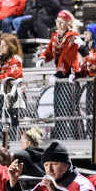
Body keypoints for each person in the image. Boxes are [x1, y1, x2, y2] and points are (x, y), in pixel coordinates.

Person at [36, 10, 81, 140]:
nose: (59, 24)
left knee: (70, 108)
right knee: (58, 107)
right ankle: (61, 136)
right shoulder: (55, 35)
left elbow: (67, 57)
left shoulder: (72, 35)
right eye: (58, 22)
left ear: (68, 23)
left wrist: (58, 73)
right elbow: (49, 50)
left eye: (62, 22)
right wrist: (43, 58)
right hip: (60, 76)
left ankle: (75, 137)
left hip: (70, 75)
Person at [77, 23, 96, 139]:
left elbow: (94, 60)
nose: (85, 34)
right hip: (90, 82)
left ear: (94, 34)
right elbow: (85, 65)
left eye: (88, 32)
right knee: (89, 108)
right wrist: (77, 74)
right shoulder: (89, 48)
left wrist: (82, 49)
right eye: (84, 32)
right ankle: (91, 133)